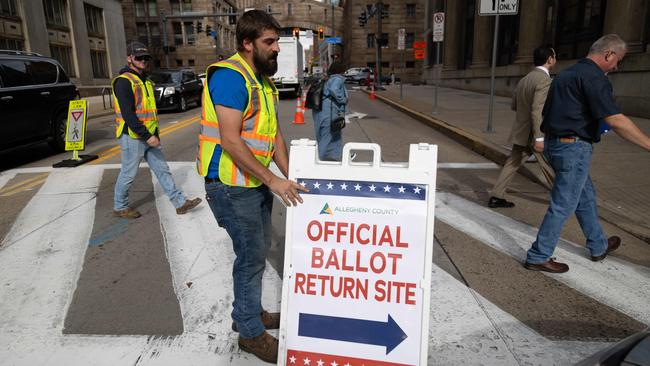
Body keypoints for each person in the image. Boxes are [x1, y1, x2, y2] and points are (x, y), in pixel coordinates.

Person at [195, 10, 308, 363]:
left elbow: (273, 136)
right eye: (269, 42)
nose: (276, 49)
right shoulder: (231, 77)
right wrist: (274, 179)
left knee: (256, 252)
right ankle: (250, 332)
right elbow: (230, 140)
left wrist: (290, 176)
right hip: (230, 184)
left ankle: (248, 314)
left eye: (276, 42)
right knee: (250, 257)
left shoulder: (261, 81)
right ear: (247, 43)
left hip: (252, 181)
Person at [524, 34, 650, 273]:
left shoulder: (565, 75)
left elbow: (548, 113)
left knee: (585, 197)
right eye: (617, 60)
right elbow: (615, 120)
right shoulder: (594, 77)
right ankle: (538, 255)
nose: (616, 66)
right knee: (563, 204)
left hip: (556, 144)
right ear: (608, 54)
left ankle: (598, 245)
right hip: (573, 147)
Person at [111, 42, 201, 219]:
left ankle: (179, 203)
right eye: (139, 57)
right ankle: (119, 207)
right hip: (133, 135)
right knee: (129, 173)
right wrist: (147, 136)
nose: (143, 61)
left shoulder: (145, 80)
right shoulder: (123, 82)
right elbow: (128, 115)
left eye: (146, 58)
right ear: (129, 58)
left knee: (162, 169)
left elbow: (149, 112)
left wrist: (154, 136)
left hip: (149, 135)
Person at [488, 46, 557, 208]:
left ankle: (496, 196)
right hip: (534, 133)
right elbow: (537, 110)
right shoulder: (544, 80)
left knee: (512, 164)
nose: (555, 58)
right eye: (554, 56)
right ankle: (565, 199)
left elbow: (514, 105)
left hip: (522, 131)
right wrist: (539, 137)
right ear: (549, 59)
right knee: (549, 165)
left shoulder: (524, 79)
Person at [311, 60, 348, 161]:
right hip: (329, 112)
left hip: (320, 110)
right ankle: (319, 158)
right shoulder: (337, 79)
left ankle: (339, 155)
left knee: (333, 134)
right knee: (327, 135)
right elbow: (334, 90)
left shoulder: (327, 79)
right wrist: (343, 99)